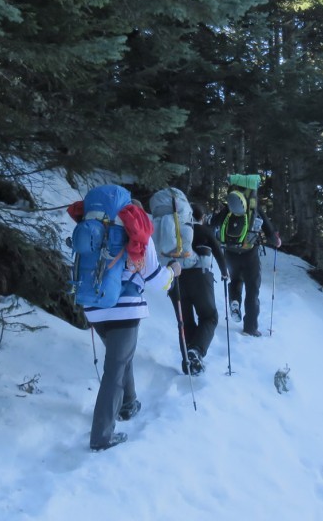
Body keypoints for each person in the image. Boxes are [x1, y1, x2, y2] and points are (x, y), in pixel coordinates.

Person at [67, 189, 181, 451]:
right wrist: (173, 273)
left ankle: (128, 404)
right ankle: (101, 436)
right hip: (125, 310)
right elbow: (155, 280)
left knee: (120, 357)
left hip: (94, 307)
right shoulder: (139, 234)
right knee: (115, 370)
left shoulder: (95, 229)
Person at [210, 188, 281, 337]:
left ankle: (235, 300)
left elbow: (213, 222)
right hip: (250, 255)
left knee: (236, 279)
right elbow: (269, 233)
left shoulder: (227, 209)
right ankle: (250, 327)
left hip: (230, 253)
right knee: (252, 289)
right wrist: (276, 240)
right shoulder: (255, 210)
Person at [169, 202, 229, 376]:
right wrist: (224, 273)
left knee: (184, 322)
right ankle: (196, 351)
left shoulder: (176, 231)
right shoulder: (204, 230)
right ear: (201, 218)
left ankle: (189, 362)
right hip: (200, 279)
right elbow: (218, 251)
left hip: (176, 280)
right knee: (209, 316)